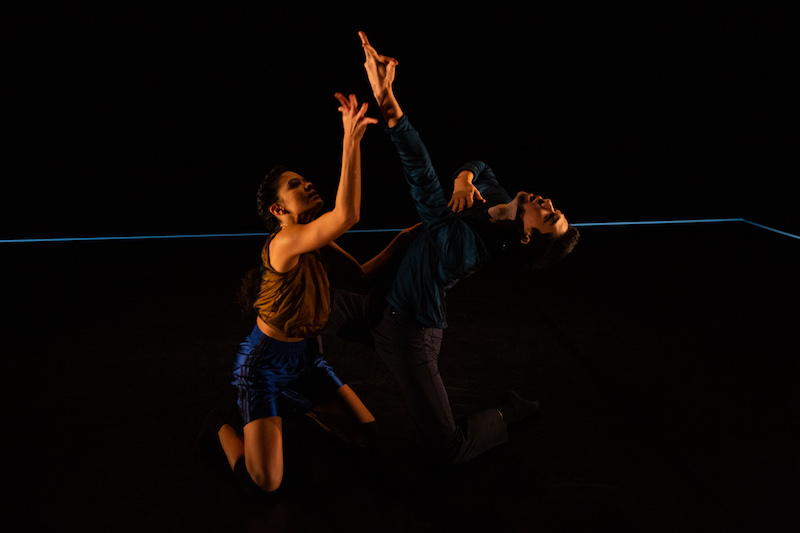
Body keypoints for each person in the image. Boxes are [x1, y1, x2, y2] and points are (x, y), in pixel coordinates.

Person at [323, 32, 580, 466]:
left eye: (550, 217)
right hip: (374, 305)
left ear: (526, 237)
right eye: (557, 209)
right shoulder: (498, 199)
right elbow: (482, 165)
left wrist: (386, 97)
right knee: (296, 314)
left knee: (449, 449)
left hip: (408, 334)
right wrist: (464, 178)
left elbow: (422, 179)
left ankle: (508, 411)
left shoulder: (468, 249)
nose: (549, 204)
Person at [211, 92, 418, 497]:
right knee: (266, 482)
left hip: (306, 358)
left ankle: (288, 410)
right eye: (295, 186)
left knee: (367, 435)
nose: (307, 185)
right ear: (278, 210)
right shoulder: (284, 242)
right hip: (264, 366)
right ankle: (220, 425)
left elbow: (361, 276)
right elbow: (347, 216)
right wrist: (351, 140)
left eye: (306, 181)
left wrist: (413, 234)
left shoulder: (316, 243)